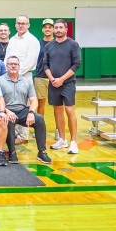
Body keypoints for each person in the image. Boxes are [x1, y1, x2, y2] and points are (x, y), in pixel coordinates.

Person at [0, 56, 51, 164]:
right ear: (6, 66)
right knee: (9, 120)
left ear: (19, 66)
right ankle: (12, 152)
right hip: (7, 110)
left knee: (39, 119)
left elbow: (34, 100)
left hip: (22, 110)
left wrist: (31, 112)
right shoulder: (0, 81)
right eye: (10, 64)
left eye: (15, 64)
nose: (13, 66)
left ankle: (42, 152)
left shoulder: (27, 81)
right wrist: (7, 111)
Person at [45, 19, 82, 155]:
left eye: (61, 27)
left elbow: (76, 64)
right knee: (57, 109)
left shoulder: (73, 44)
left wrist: (62, 79)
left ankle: (73, 142)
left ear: (66, 29)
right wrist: (52, 79)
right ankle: (62, 139)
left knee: (69, 109)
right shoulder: (49, 46)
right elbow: (45, 64)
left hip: (68, 83)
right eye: (56, 27)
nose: (58, 30)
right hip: (54, 82)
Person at [5, 15, 41, 143]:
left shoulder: (32, 40)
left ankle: (23, 136)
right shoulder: (12, 39)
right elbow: (7, 58)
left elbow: (30, 62)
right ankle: (13, 134)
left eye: (23, 23)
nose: (20, 25)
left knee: (24, 105)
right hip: (10, 76)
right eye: (18, 23)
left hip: (24, 76)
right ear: (15, 24)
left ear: (28, 25)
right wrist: (8, 73)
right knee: (11, 103)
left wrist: (16, 74)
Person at [35, 19, 55, 118]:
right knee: (40, 104)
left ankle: (58, 127)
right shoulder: (37, 43)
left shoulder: (57, 43)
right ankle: (40, 126)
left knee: (57, 105)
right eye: (45, 27)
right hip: (40, 77)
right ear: (42, 29)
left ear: (53, 29)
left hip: (55, 78)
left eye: (50, 27)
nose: (47, 29)